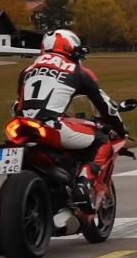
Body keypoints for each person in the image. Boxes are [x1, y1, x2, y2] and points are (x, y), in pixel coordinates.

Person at [14, 28, 128, 207]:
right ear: (70, 48)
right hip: (50, 125)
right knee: (102, 141)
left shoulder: (27, 70)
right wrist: (121, 129)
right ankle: (83, 185)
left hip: (20, 125)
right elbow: (105, 107)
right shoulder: (78, 71)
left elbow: (18, 103)